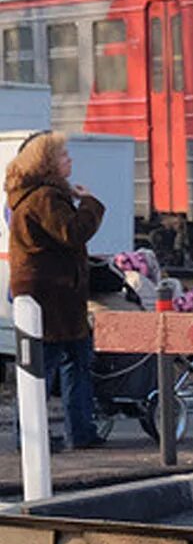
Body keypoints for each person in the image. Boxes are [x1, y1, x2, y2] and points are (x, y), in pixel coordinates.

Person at [6, 131, 106, 449]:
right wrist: (90, 203)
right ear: (48, 163)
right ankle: (42, 436)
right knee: (52, 366)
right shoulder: (45, 198)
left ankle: (72, 432)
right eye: (64, 155)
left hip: (49, 294)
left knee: (62, 362)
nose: (70, 160)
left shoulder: (28, 195)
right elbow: (72, 232)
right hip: (52, 296)